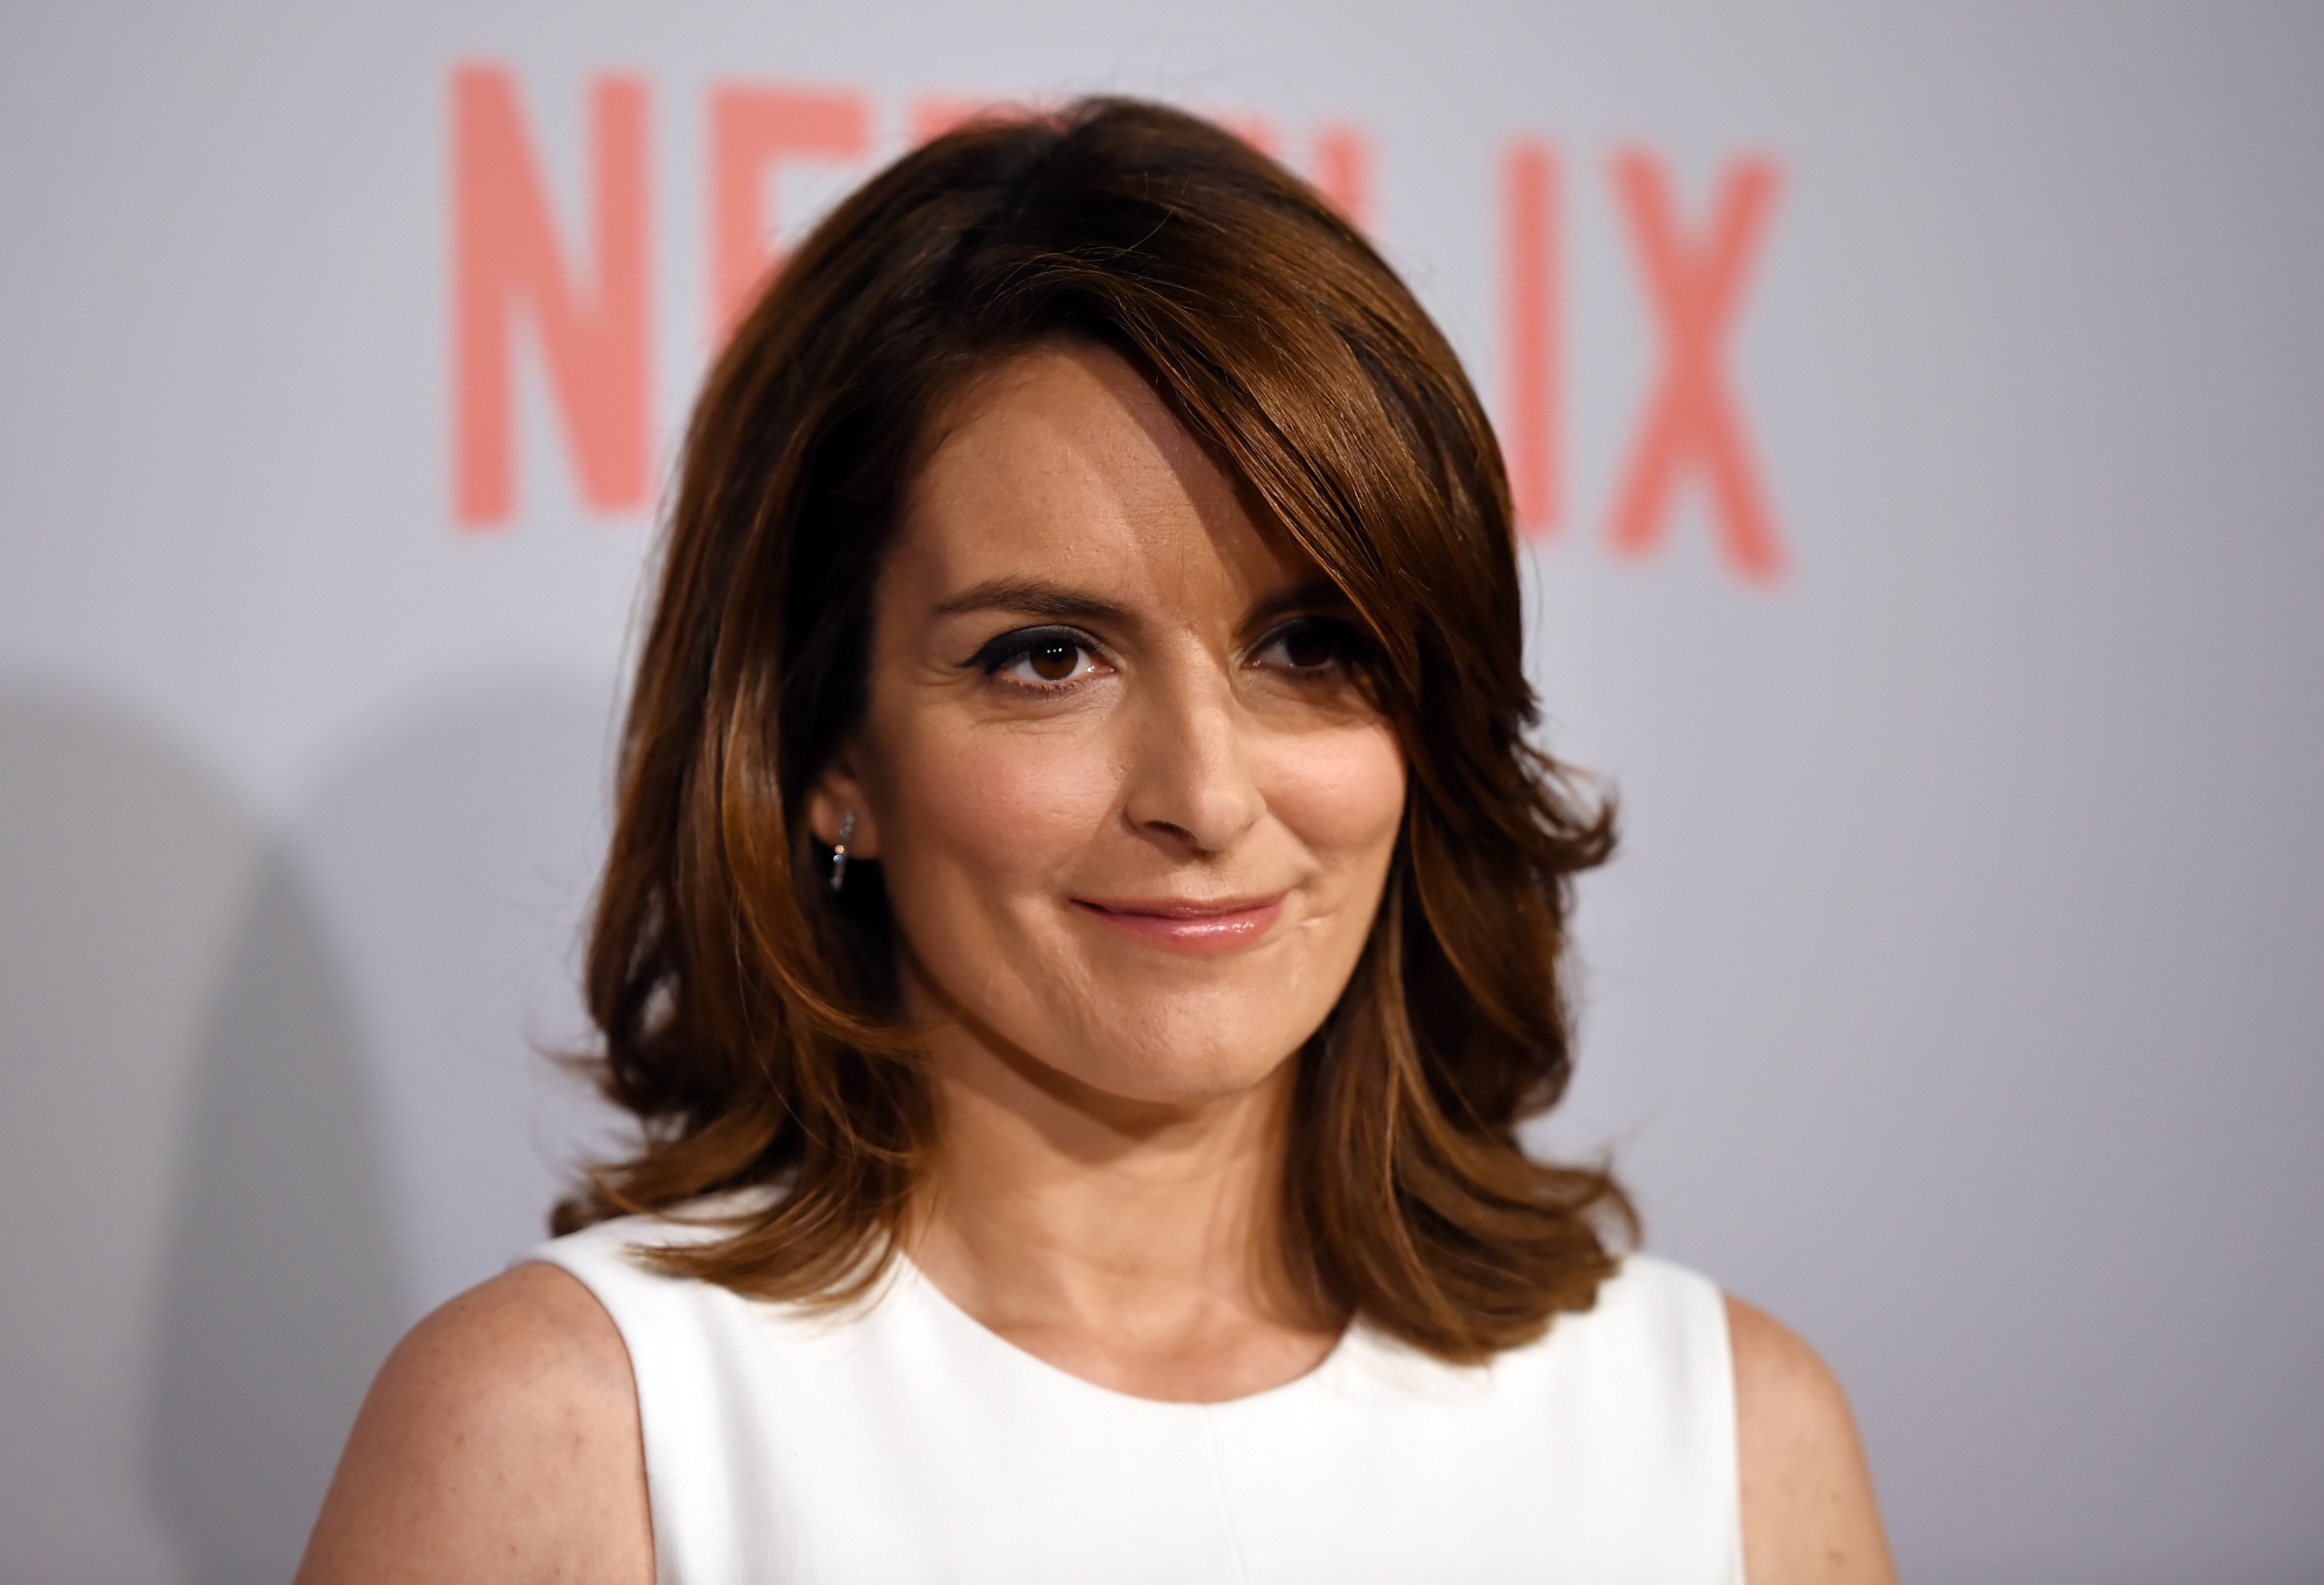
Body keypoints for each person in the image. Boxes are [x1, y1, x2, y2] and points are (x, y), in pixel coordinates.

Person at [296, 98, 1894, 1583]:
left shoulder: (1731, 1446)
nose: (1206, 794)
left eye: (1310, 648)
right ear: (828, 755)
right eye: (1048, 657)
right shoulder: (573, 1439)